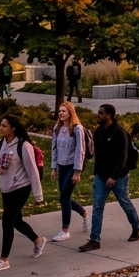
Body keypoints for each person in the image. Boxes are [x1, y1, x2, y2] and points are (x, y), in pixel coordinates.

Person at [79, 104, 139, 252]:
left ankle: (137, 226)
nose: (97, 115)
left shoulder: (120, 133)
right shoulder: (99, 132)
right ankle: (95, 240)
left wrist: (113, 177)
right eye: (98, 112)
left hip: (119, 177)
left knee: (124, 202)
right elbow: (96, 154)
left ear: (109, 115)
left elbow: (123, 157)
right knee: (98, 207)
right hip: (101, 177)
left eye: (100, 113)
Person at [0, 114, 46, 272]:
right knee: (16, 221)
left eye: (4, 126)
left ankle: (4, 260)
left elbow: (32, 171)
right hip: (5, 187)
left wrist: (38, 195)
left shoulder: (23, 145)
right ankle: (37, 241)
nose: (0, 128)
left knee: (7, 221)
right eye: (0, 125)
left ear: (13, 128)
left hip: (21, 187)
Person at [50, 101, 89, 242]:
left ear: (70, 113)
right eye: (59, 111)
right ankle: (84, 213)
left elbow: (81, 151)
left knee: (64, 197)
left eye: (63, 111)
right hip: (62, 166)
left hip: (73, 166)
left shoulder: (77, 129)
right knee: (64, 197)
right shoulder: (57, 128)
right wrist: (53, 167)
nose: (60, 113)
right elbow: (53, 148)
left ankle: (65, 230)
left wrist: (77, 171)